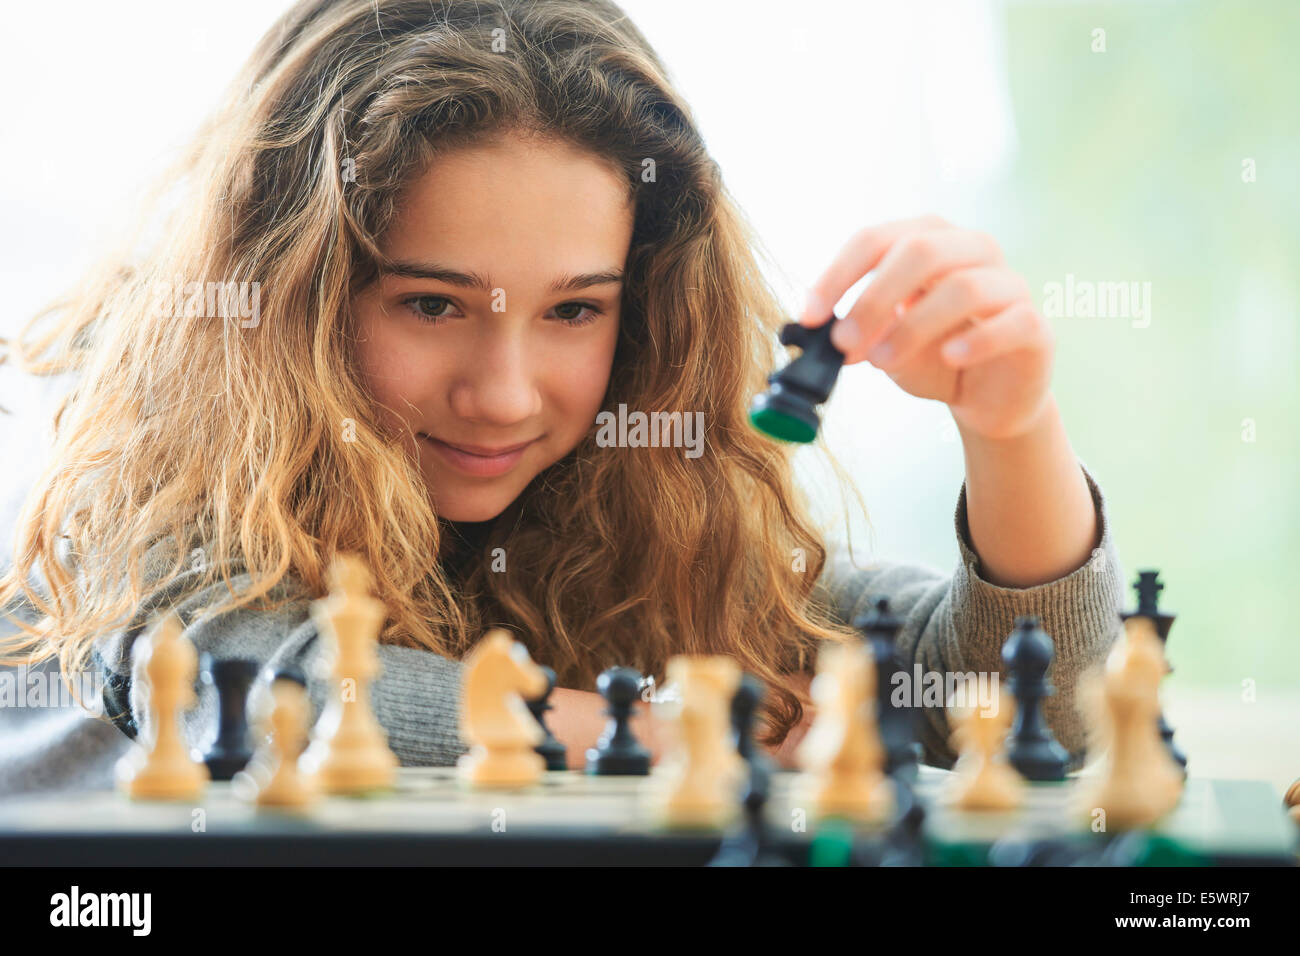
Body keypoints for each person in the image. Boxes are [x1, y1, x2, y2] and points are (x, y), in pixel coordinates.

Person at [0, 0, 1122, 785]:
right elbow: (252, 695)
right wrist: (675, 730)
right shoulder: (138, 475)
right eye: (432, 304)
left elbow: (1021, 703)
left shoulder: (617, 492)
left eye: (575, 309)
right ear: (292, 291)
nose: (500, 395)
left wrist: (1010, 424)